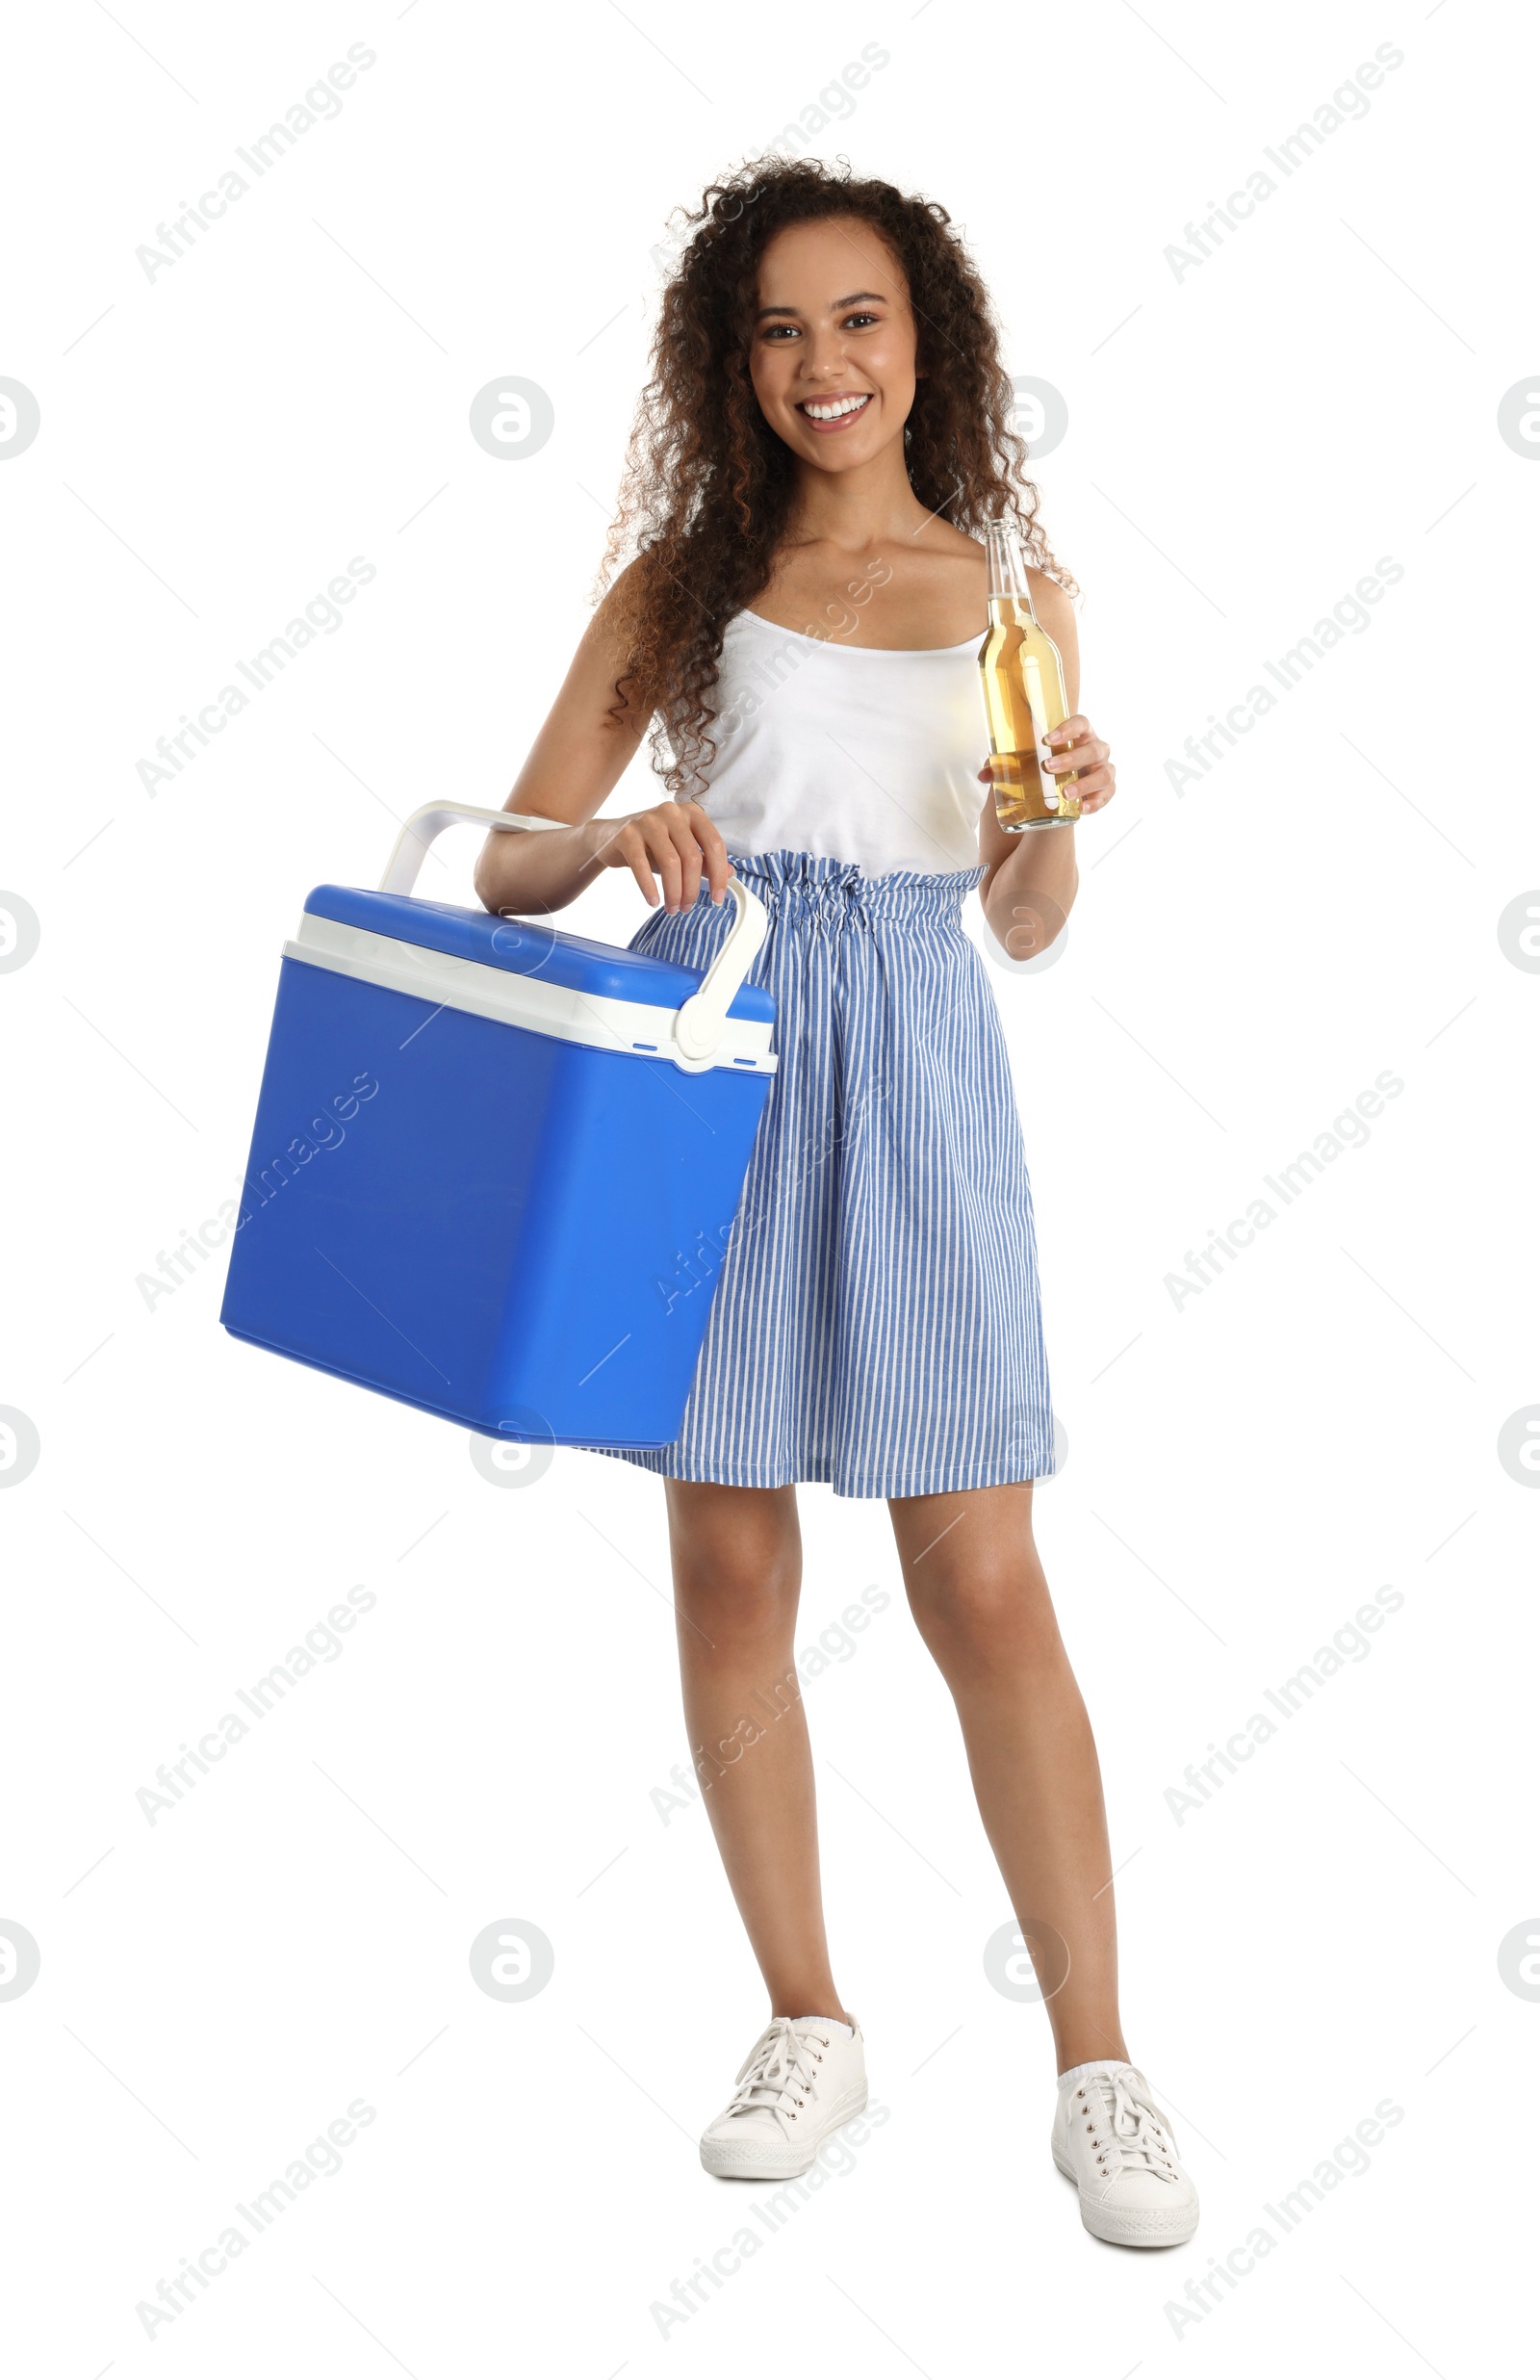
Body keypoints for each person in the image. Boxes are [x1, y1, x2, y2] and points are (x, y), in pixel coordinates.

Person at [475, 157, 1197, 2249]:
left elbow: (1029, 922)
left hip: (914, 1059)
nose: (820, 364)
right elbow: (508, 863)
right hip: (700, 1051)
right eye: (778, 327)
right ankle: (807, 2017)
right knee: (723, 1557)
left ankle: (1099, 2065)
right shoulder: (678, 583)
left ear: (925, 339)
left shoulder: (1008, 597)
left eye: (856, 319)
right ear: (735, 357)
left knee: (979, 1573)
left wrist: (1045, 826)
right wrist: (622, 836)